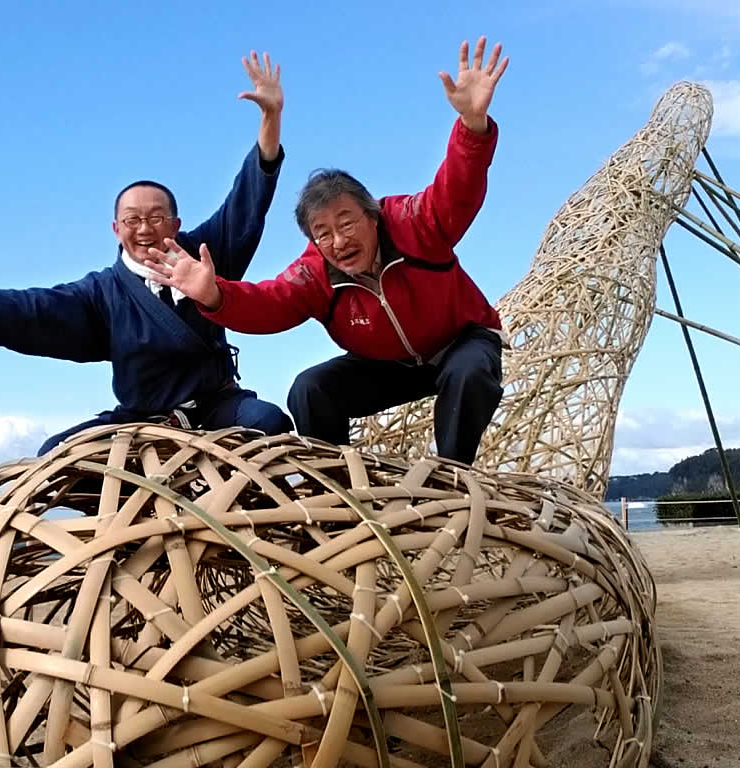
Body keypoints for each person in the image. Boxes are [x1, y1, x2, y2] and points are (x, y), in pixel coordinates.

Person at [0, 52, 294, 455]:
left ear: (175, 224)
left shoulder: (204, 252)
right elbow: (34, 308)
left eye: (156, 217)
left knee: (269, 420)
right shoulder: (102, 293)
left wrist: (270, 117)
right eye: (132, 220)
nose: (145, 228)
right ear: (116, 230)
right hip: (142, 419)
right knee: (57, 450)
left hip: (218, 407)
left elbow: (248, 199)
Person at [144, 37, 509, 465]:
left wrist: (471, 126)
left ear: (373, 216)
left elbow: (458, 190)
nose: (338, 241)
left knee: (469, 371)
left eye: (347, 223)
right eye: (322, 233)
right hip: (391, 364)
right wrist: (214, 294)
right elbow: (268, 303)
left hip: (461, 343)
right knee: (310, 388)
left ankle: (454, 477)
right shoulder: (315, 274)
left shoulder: (414, 222)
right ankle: (337, 485)